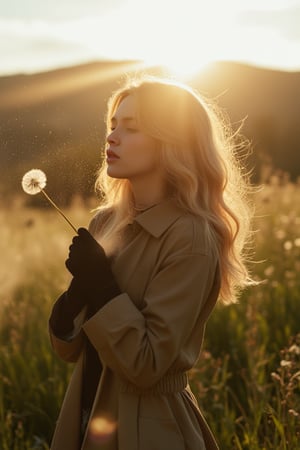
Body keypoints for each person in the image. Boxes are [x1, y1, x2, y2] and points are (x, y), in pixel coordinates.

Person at [48, 75, 254, 450]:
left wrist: (103, 286)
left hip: (147, 429)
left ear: (171, 142)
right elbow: (69, 351)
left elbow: (146, 366)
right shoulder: (105, 221)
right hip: (85, 415)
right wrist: (76, 296)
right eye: (112, 126)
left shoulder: (190, 237)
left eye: (131, 128)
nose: (112, 137)